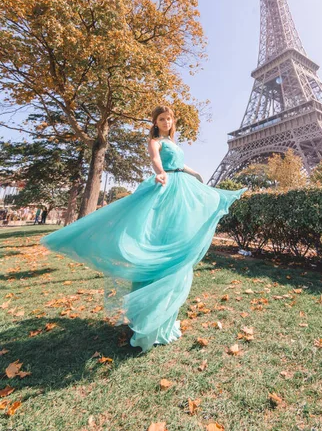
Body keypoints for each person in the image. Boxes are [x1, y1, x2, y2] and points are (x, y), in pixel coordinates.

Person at [40, 105, 246, 353]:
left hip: (181, 185)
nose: (166, 121)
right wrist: (160, 173)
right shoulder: (155, 141)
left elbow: (180, 165)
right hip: (167, 185)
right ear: (156, 122)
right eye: (162, 118)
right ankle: (150, 319)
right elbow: (156, 160)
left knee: (176, 242)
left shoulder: (172, 141)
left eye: (169, 118)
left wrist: (195, 173)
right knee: (159, 241)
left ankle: (163, 317)